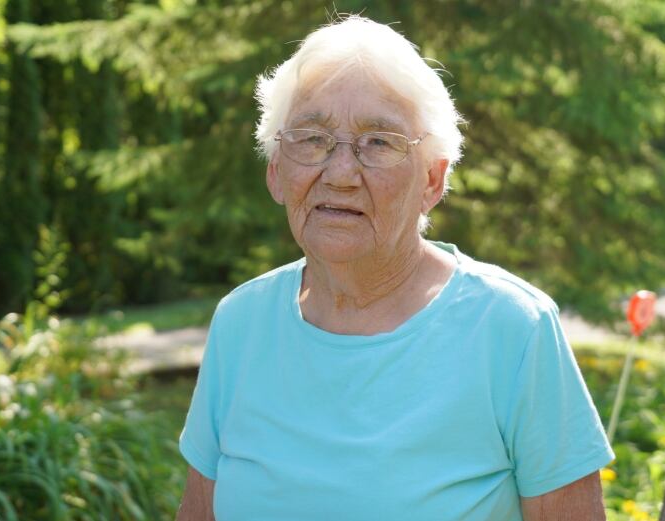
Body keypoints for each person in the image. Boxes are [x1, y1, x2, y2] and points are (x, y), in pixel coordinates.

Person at [177, 15, 613, 521]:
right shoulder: (240, 323)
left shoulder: (513, 328)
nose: (340, 173)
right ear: (277, 171)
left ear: (432, 180)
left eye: (379, 142)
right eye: (311, 139)